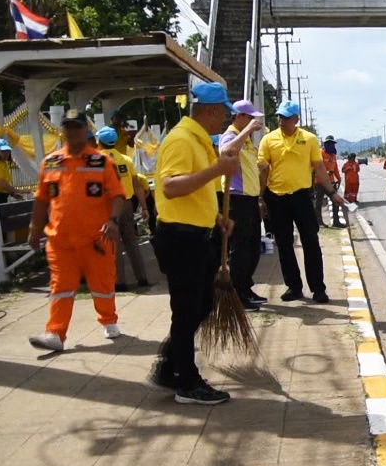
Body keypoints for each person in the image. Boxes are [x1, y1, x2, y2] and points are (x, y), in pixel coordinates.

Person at [149, 82, 241, 405]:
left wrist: (217, 219)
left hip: (197, 234)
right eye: (223, 113)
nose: (223, 120)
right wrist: (218, 168)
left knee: (200, 306)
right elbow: (172, 188)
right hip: (180, 238)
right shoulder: (181, 141)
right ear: (211, 111)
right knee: (187, 311)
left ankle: (170, 366)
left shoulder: (200, 142)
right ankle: (186, 382)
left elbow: (197, 192)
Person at [26, 109, 127, 353]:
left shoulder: (102, 161)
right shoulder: (50, 163)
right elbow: (41, 200)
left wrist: (113, 221)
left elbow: (117, 195)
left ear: (85, 129)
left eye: (77, 126)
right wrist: (34, 228)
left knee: (102, 284)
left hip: (96, 239)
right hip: (60, 240)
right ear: (63, 130)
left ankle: (109, 319)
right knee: (61, 287)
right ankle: (55, 333)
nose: (73, 131)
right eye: (68, 126)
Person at [258, 99, 345, 304]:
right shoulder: (268, 140)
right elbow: (263, 170)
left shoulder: (309, 139)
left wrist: (331, 192)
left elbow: (320, 168)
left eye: (286, 117)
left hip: (301, 197)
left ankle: (318, 288)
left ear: (296, 119)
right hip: (276, 198)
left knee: (311, 242)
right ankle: (294, 287)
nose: (281, 120)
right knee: (284, 244)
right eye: (280, 116)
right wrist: (260, 198)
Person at [218, 100, 266, 308]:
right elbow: (226, 151)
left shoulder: (245, 141)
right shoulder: (230, 136)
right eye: (250, 117)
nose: (253, 121)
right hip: (236, 199)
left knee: (253, 248)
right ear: (240, 117)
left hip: (250, 199)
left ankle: (246, 286)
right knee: (240, 249)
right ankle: (238, 293)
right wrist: (246, 131)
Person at [97, 126, 152, 291]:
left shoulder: (97, 160)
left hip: (108, 206)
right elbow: (137, 186)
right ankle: (142, 278)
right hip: (127, 203)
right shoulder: (126, 160)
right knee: (131, 242)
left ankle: (119, 283)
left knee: (114, 245)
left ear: (99, 142)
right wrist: (144, 207)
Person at [319, 137, 346, 228]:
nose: (331, 145)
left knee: (336, 201)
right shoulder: (320, 153)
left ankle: (336, 221)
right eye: (329, 143)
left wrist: (338, 178)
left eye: (332, 143)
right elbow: (317, 167)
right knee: (318, 203)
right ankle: (319, 222)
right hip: (320, 182)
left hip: (330, 182)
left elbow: (335, 168)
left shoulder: (333, 155)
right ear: (325, 144)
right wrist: (326, 173)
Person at [0, 139, 21, 204]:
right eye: (3, 151)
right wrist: (24, 191)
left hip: (2, 197)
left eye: (8, 151)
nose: (6, 153)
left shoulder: (3, 164)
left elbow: (5, 184)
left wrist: (13, 194)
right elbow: (1, 183)